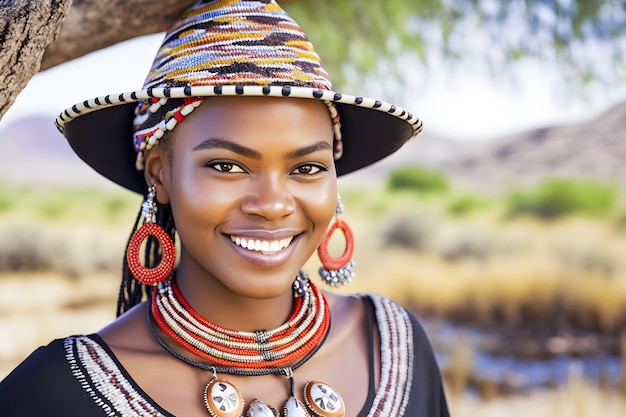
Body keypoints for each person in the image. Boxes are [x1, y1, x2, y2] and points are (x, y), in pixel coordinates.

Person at [0, 1, 449, 416]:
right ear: (159, 172)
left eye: (307, 167)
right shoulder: (55, 391)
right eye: (227, 166)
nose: (272, 205)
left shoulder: (395, 344)